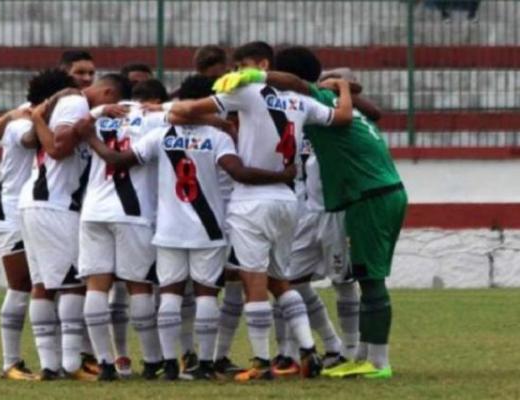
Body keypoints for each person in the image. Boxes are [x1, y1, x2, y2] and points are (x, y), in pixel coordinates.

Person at [78, 74, 296, 381]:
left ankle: (167, 363)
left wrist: (91, 133)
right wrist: (282, 175)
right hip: (207, 228)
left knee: (169, 294)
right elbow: (238, 171)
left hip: (168, 228)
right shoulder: (218, 137)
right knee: (207, 295)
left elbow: (117, 158)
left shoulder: (161, 134)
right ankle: (205, 364)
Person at [169, 41, 354, 381]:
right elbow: (343, 117)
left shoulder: (247, 93)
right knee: (280, 281)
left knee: (253, 281)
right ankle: (308, 350)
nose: (237, 72)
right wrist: (342, 86)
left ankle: (261, 361)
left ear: (260, 66)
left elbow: (183, 112)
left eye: (241, 66)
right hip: (287, 200)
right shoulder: (302, 100)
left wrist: (214, 116)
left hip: (250, 199)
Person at [217, 61, 407, 380]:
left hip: (367, 198)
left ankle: (376, 361)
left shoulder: (322, 103)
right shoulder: (344, 109)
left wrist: (257, 77)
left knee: (367, 280)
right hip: (364, 197)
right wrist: (345, 89)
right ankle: (353, 354)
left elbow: (296, 83)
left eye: (325, 83)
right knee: (351, 278)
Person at [18, 74, 127, 381]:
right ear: (108, 93)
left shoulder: (68, 103)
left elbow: (34, 140)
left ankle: (51, 366)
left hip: (37, 201)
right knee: (74, 283)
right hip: (55, 203)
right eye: (112, 105)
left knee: (43, 286)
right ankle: (70, 363)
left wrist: (40, 117)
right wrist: (88, 114)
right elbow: (57, 148)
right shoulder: (75, 102)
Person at [78, 77, 171, 381]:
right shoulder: (155, 117)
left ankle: (105, 362)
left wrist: (97, 112)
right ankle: (152, 358)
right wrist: (164, 107)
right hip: (132, 212)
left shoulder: (100, 114)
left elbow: (77, 126)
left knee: (96, 284)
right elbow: (189, 114)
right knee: (138, 285)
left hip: (93, 210)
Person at [0, 68, 76, 380]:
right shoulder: (24, 120)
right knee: (22, 284)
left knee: (55, 283)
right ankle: (10, 362)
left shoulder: (40, 117)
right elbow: (24, 139)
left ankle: (64, 361)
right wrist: (35, 117)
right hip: (11, 213)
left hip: (39, 211)